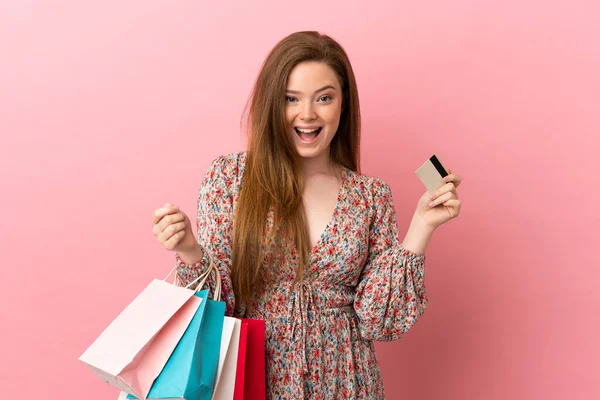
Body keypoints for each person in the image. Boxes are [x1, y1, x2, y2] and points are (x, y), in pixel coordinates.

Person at [151, 31, 462, 399]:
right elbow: (214, 313)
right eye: (291, 99)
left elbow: (380, 321)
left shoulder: (370, 196)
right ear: (271, 104)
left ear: (343, 105)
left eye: (324, 98)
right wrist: (189, 250)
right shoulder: (230, 178)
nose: (308, 114)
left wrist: (422, 227)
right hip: (255, 381)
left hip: (348, 383)